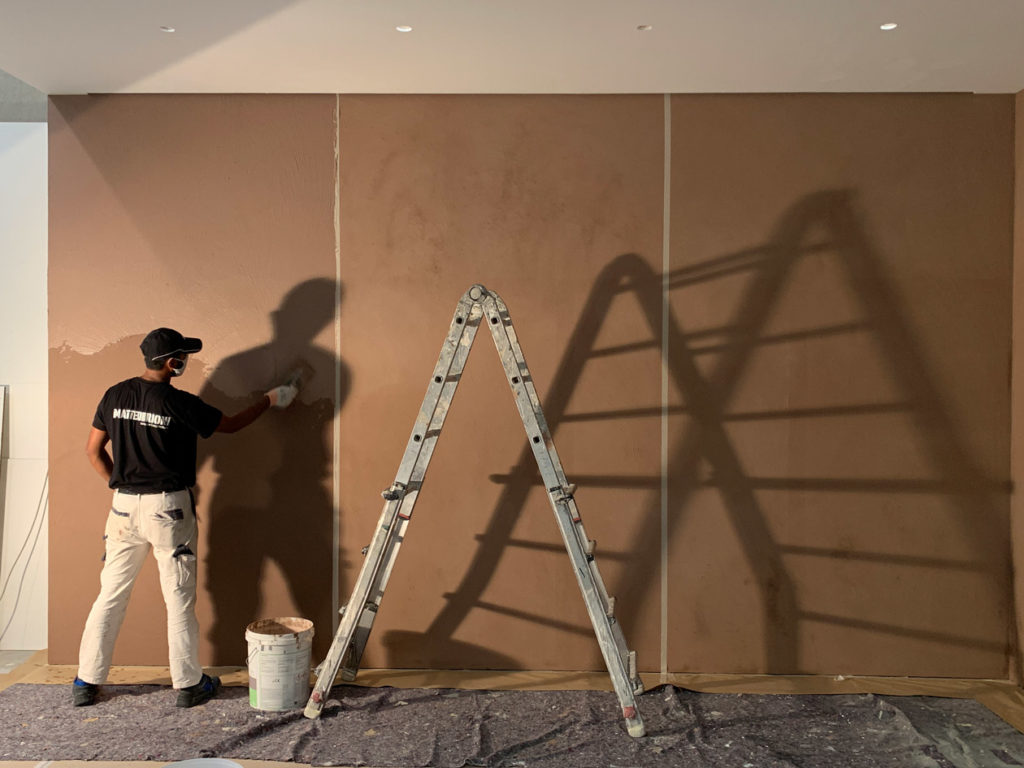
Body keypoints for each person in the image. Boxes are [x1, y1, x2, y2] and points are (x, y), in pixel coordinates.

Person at [72, 327, 298, 708]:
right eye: (184, 356)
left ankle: (85, 681)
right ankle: (189, 684)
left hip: (123, 507)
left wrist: (120, 484)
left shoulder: (115, 395)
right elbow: (231, 424)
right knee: (177, 598)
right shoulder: (179, 403)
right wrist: (271, 399)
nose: (186, 361)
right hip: (168, 509)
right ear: (172, 362)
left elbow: (93, 451)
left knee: (110, 595)